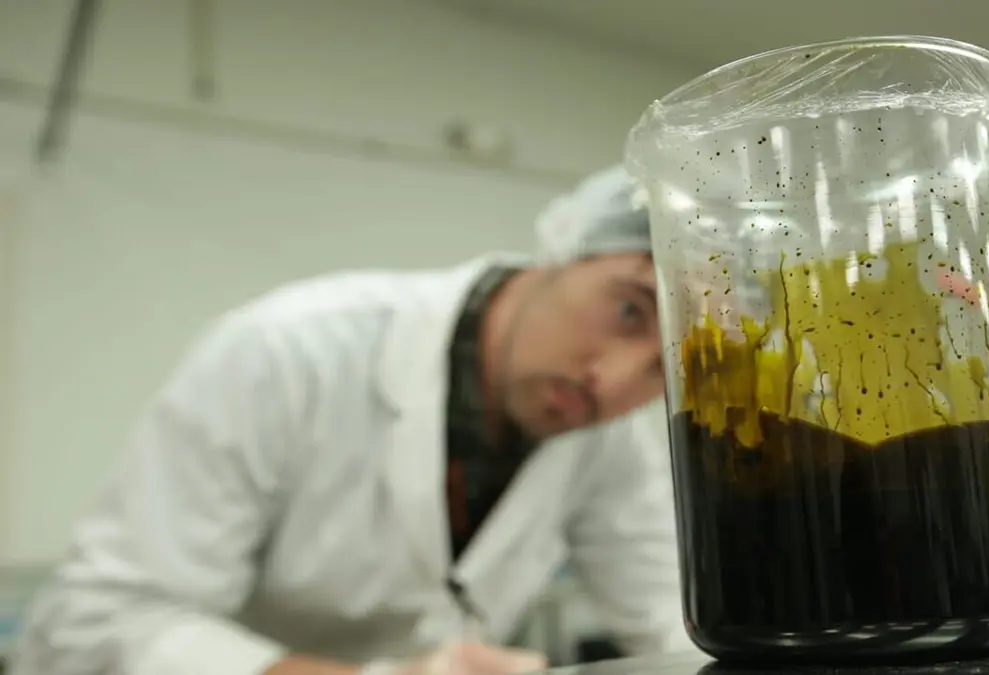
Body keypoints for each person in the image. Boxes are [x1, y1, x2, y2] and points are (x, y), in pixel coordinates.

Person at [11, 166, 686, 675]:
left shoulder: (611, 443)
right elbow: (108, 621)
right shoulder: (290, 352)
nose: (614, 380)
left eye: (668, 367)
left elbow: (671, 623)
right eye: (630, 309)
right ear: (564, 249)